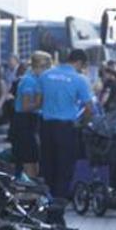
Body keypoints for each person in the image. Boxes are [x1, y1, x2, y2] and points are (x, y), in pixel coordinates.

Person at [37, 49, 93, 198]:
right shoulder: (79, 79)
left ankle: (47, 198)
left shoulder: (45, 75)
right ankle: (59, 202)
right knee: (65, 166)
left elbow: (38, 101)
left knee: (48, 164)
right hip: (66, 128)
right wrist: (83, 122)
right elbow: (89, 107)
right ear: (79, 62)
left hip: (46, 126)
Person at [11, 51, 51, 179]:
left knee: (34, 157)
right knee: (29, 158)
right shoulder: (29, 80)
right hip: (24, 122)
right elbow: (25, 105)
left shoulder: (34, 79)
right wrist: (41, 103)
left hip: (30, 122)